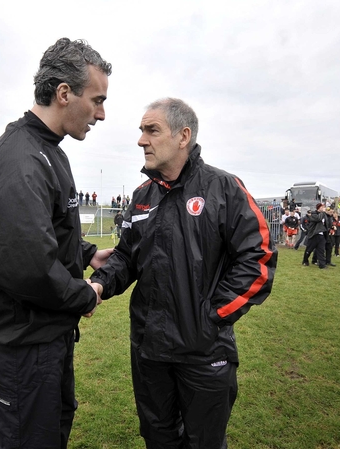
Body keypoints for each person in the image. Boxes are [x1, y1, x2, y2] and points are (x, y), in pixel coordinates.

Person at [90, 98, 276, 448]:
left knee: (204, 441)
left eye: (151, 130)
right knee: (158, 438)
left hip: (204, 351)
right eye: (141, 131)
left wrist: (211, 317)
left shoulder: (224, 188)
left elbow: (259, 258)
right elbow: (127, 255)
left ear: (182, 136)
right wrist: (99, 284)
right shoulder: (143, 195)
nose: (141, 140)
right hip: (149, 350)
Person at [0, 38, 112, 449]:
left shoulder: (50, 151)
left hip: (44, 335)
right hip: (21, 343)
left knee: (51, 432)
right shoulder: (21, 160)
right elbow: (28, 267)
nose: (101, 114)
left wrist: (87, 254)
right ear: (64, 93)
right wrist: (85, 295)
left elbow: (47, 230)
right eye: (97, 100)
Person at [303, 203, 328, 269]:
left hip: (321, 235)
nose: (324, 208)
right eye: (322, 207)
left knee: (321, 250)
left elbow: (326, 223)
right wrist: (323, 212)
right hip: (314, 234)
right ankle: (305, 260)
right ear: (319, 207)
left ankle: (322, 265)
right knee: (309, 249)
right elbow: (318, 219)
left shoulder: (323, 215)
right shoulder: (313, 214)